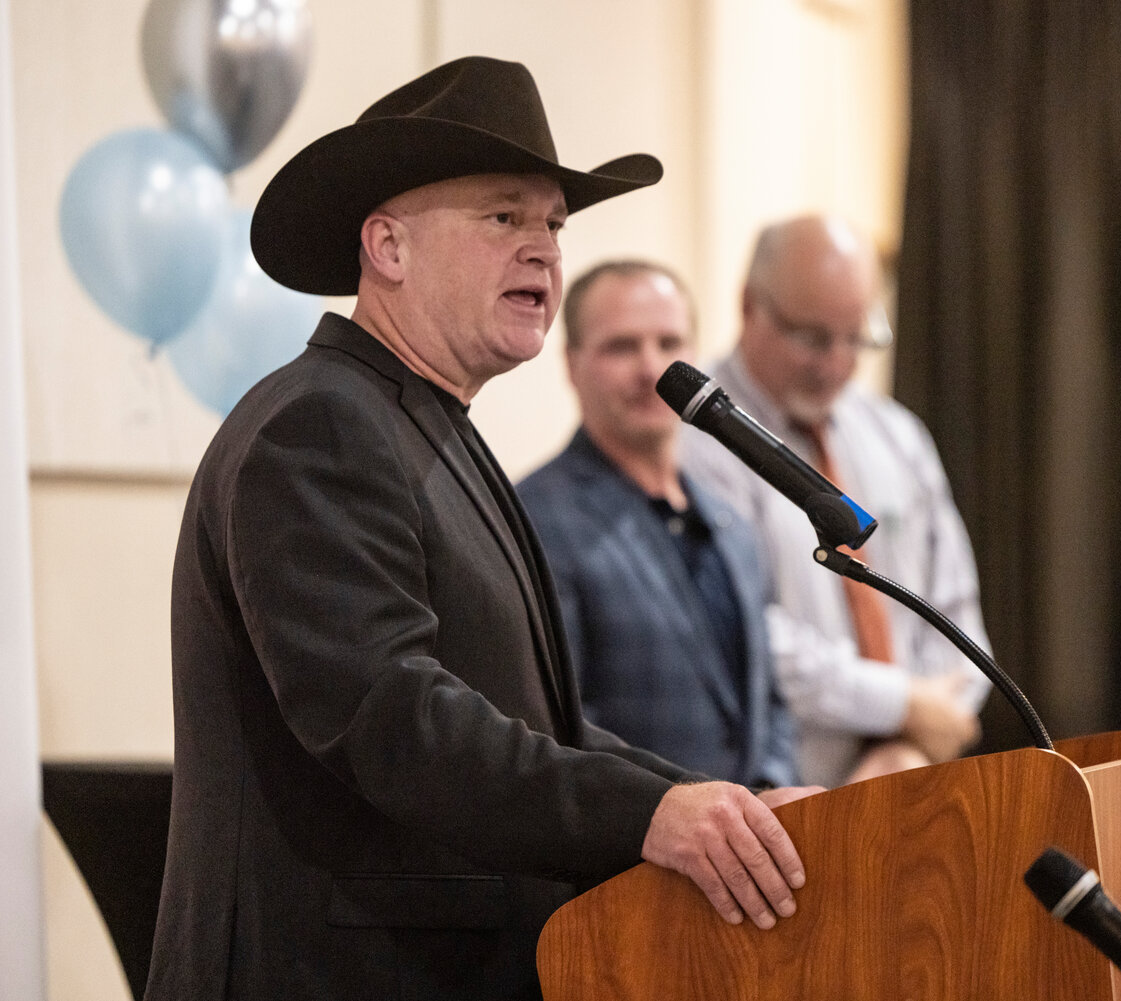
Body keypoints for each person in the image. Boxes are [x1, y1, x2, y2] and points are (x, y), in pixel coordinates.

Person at [145, 58, 814, 1001]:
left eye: (553, 224)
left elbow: (536, 722)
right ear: (388, 247)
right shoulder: (319, 425)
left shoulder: (429, 426)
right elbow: (390, 717)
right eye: (503, 217)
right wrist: (652, 813)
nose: (542, 249)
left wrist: (718, 806)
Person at [680, 214, 992, 789]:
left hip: (916, 774)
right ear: (750, 306)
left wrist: (907, 745)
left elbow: (956, 610)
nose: (837, 363)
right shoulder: (696, 446)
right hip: (784, 796)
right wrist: (898, 704)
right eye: (814, 338)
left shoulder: (896, 434)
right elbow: (739, 628)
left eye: (857, 337)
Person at [518, 261, 799, 790]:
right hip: (631, 858)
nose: (651, 369)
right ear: (572, 364)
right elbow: (558, 727)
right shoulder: (533, 520)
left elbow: (770, 701)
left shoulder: (732, 522)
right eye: (621, 347)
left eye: (669, 343)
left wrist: (774, 800)